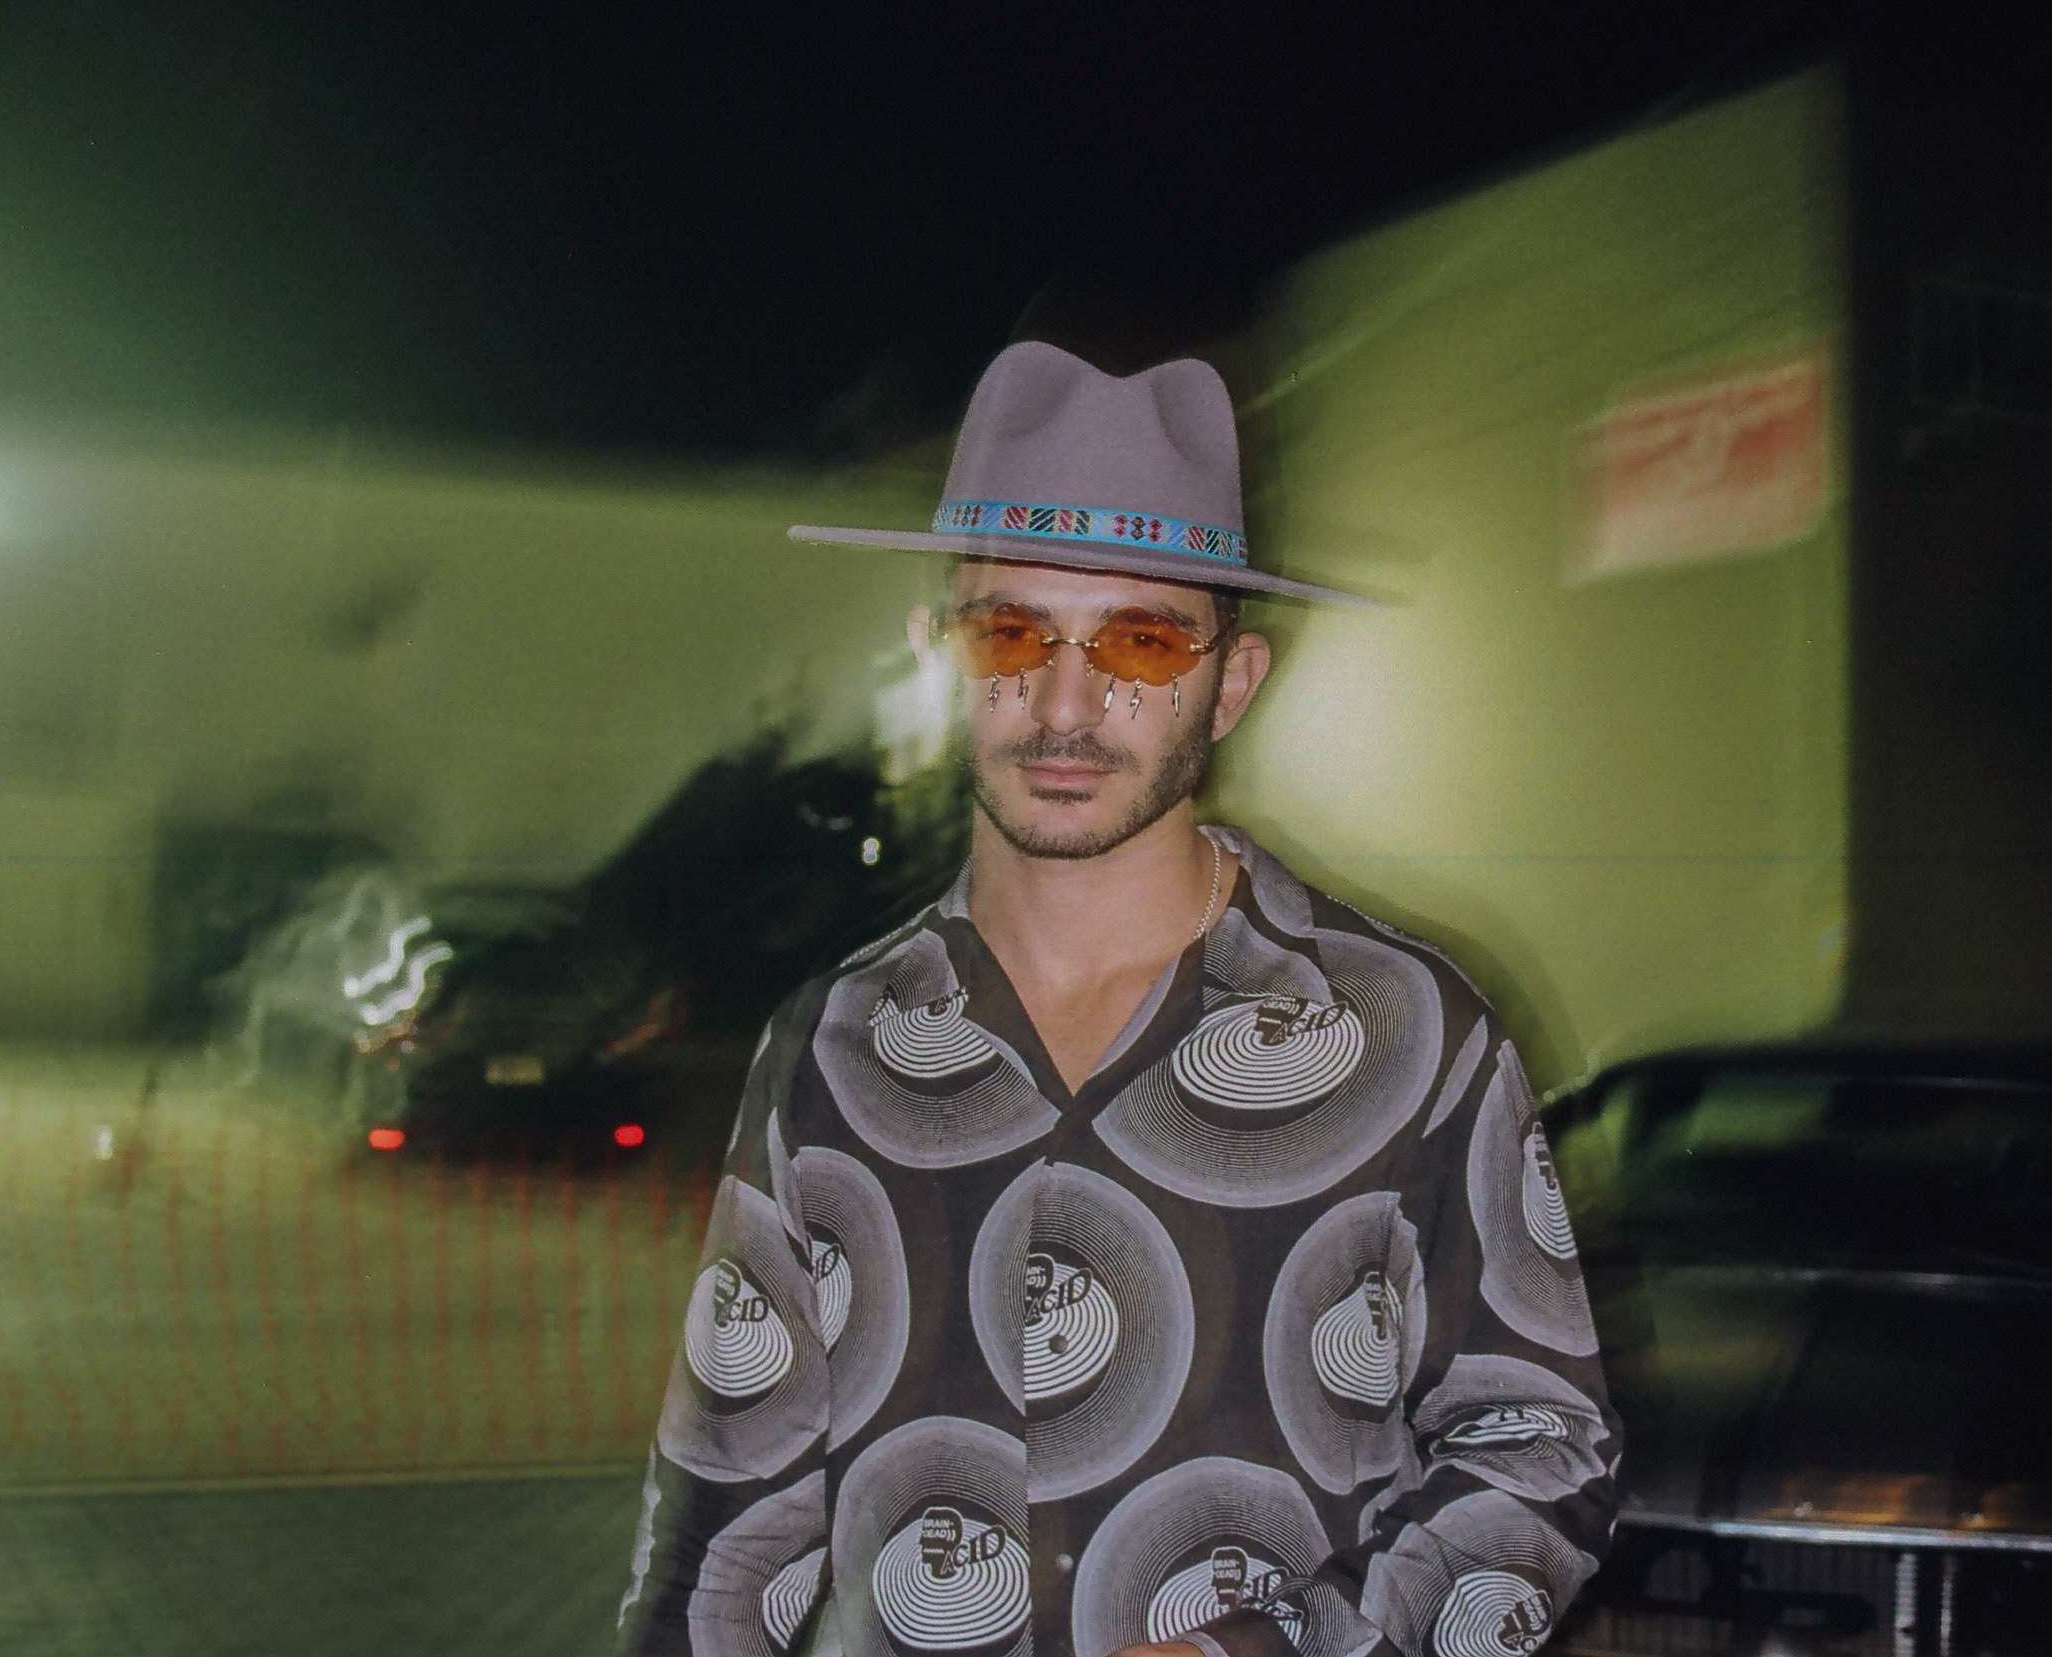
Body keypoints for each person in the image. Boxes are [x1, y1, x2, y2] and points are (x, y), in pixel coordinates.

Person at [617, 341, 1617, 1657]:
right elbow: (720, 1528)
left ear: (1232, 681)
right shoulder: (831, 1049)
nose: (1068, 703)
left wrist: (1282, 1648)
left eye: (1143, 639)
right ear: (940, 654)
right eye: (1010, 630)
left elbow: (1543, 1451)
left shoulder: (1414, 1040)